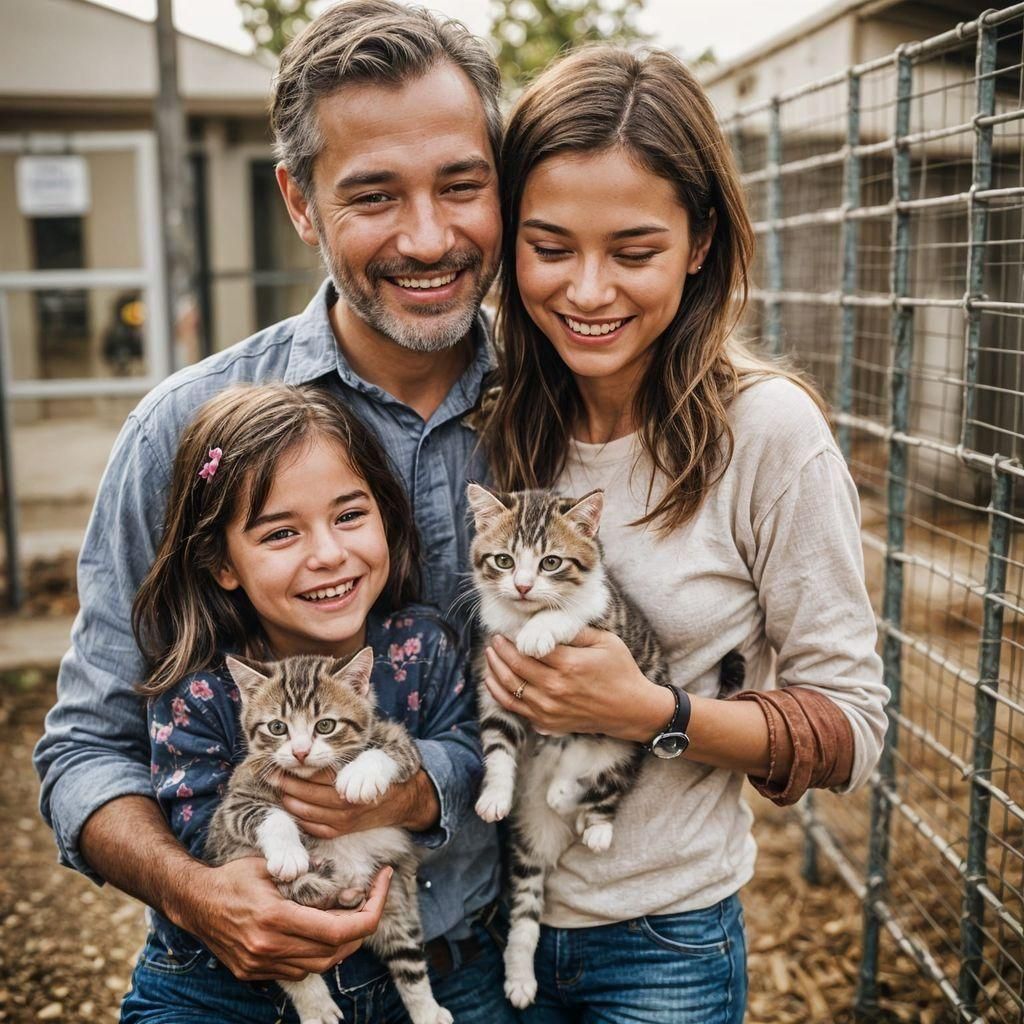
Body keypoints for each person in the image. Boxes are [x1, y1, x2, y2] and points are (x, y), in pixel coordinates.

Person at [34, 3, 515, 1018]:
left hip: (468, 974)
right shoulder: (184, 430)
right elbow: (84, 749)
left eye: (461, 186)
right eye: (374, 194)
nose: (429, 238)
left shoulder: (569, 412)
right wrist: (199, 891)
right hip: (223, 983)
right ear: (299, 201)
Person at [478, 46, 890, 1023]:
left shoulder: (768, 435)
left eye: (633, 251)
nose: (586, 291)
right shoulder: (484, 422)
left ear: (699, 241)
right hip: (477, 932)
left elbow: (852, 728)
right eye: (548, 246)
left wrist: (653, 711)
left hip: (662, 943)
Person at [122, 382, 492, 1022]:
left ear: (386, 517)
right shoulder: (205, 687)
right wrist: (274, 824)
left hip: (426, 959)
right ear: (223, 564)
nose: (328, 555)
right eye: (279, 533)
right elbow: (197, 826)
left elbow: (471, 749)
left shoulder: (420, 646)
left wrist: (412, 779)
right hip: (227, 986)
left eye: (349, 515)